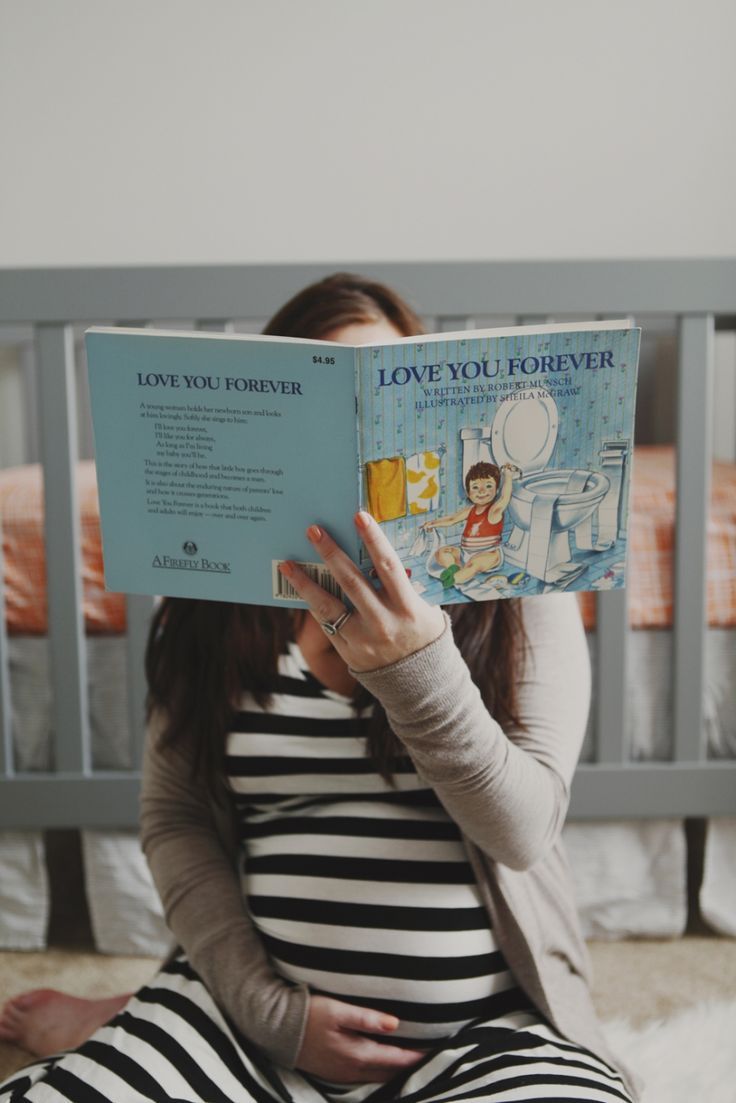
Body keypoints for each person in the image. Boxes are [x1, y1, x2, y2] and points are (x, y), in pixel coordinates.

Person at [0, 273, 640, 1102]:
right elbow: (177, 819)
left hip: (490, 1032)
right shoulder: (214, 600)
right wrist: (271, 1013)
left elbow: (522, 830)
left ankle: (117, 1010)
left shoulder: (524, 588)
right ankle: (139, 1011)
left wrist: (414, 666)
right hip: (244, 1027)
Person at [422, 461, 519, 588]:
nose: (482, 491)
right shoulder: (471, 510)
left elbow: (505, 498)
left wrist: (508, 476)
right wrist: (433, 523)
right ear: (468, 492)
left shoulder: (493, 511)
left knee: (474, 565)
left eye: (488, 486)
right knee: (441, 553)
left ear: (496, 490)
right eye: (475, 487)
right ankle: (453, 568)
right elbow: (452, 519)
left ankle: (455, 578)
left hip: (489, 553)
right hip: (465, 552)